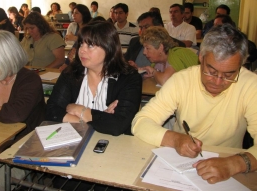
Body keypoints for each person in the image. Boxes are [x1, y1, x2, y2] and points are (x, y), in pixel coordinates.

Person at [132, 24, 257, 184]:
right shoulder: (182, 80)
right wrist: (175, 139)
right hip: (179, 164)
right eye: (211, 71)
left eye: (229, 74)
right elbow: (141, 122)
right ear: (201, 58)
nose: (218, 82)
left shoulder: (251, 85)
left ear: (240, 65)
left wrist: (235, 163)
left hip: (229, 165)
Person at [46, 21, 142, 136]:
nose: (82, 50)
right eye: (81, 44)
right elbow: (51, 112)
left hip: (114, 145)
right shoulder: (71, 74)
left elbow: (118, 125)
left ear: (108, 47)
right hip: (75, 139)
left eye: (90, 45)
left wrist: (79, 110)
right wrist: (98, 119)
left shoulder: (128, 78)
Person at [59, 4, 92, 71]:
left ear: (84, 14)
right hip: (74, 54)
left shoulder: (90, 26)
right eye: (73, 13)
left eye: (76, 13)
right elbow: (68, 40)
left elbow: (89, 42)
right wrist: (66, 64)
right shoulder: (73, 25)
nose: (73, 15)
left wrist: (74, 38)